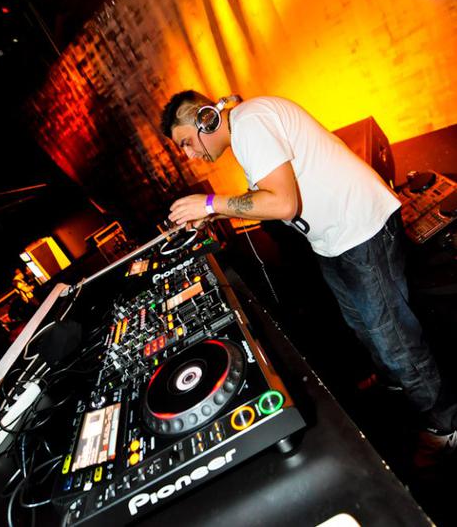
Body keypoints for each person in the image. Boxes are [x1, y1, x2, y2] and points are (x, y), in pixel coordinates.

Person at [161, 90, 457, 466]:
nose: (190, 155)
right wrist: (213, 215)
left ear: (206, 120)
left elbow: (284, 203)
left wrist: (209, 203)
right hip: (336, 239)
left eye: (186, 142)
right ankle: (400, 386)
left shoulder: (250, 122)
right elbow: (265, 198)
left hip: (361, 229)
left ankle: (444, 425)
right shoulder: (248, 129)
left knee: (393, 339)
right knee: (366, 329)